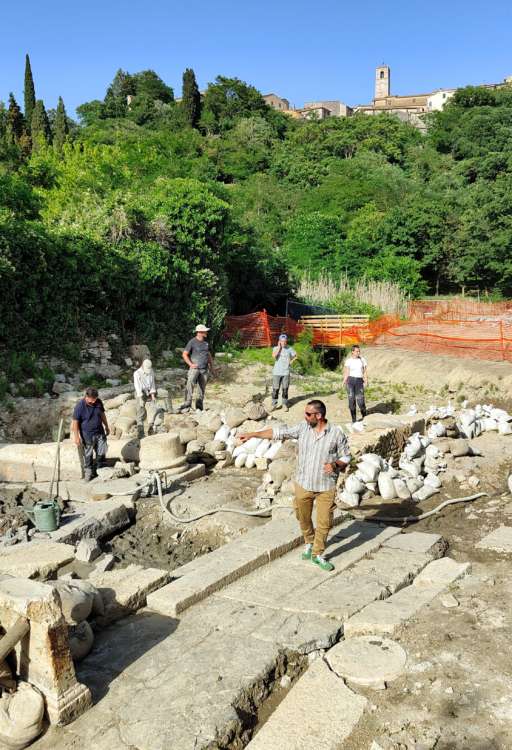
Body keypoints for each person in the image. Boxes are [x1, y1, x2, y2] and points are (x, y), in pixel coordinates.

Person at [239, 399, 350, 571]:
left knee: (325, 522)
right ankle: (309, 541)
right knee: (302, 516)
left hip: (325, 486)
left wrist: (335, 465)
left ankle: (317, 554)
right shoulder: (302, 428)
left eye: (308, 414)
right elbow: (278, 432)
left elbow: (347, 457)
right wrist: (253, 434)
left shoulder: (336, 433)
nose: (304, 417)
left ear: (318, 415)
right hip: (304, 484)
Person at [72, 387, 110, 481]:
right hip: (87, 434)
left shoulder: (98, 402)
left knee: (101, 451)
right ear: (86, 397)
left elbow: (102, 414)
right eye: (91, 400)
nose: (93, 402)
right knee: (88, 454)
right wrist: (76, 437)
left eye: (95, 399)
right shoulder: (80, 406)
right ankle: (88, 473)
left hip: (100, 432)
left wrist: (106, 426)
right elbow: (75, 422)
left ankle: (100, 470)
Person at [178, 324, 215, 412]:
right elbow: (184, 354)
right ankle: (187, 404)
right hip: (195, 368)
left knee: (201, 389)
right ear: (200, 332)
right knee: (190, 383)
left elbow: (208, 355)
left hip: (204, 369)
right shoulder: (192, 342)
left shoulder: (206, 343)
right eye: (205, 331)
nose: (206, 332)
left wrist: (212, 367)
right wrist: (190, 364)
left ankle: (199, 408)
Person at [271, 333, 297, 412]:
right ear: (279, 341)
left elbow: (296, 355)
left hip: (286, 372)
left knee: (285, 389)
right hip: (276, 372)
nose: (284, 343)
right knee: (275, 389)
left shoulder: (290, 348)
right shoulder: (275, 348)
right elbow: (274, 356)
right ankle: (274, 404)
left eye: (285, 341)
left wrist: (291, 362)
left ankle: (284, 404)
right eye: (282, 341)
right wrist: (279, 347)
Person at [343, 344, 368, 423]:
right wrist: (344, 381)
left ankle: (365, 418)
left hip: (359, 381)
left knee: (360, 401)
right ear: (352, 352)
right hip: (350, 381)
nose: (358, 353)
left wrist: (366, 380)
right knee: (351, 401)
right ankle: (354, 420)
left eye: (359, 351)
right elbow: (347, 372)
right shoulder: (348, 361)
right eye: (356, 351)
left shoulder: (362, 360)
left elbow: (364, 371)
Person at [134, 359, 157, 438]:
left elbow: (153, 384)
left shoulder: (151, 371)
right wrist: (140, 399)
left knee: (154, 408)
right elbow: (137, 387)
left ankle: (152, 428)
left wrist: (153, 396)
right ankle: (140, 433)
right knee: (140, 411)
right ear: (142, 366)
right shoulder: (137, 374)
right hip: (140, 393)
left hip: (149, 391)